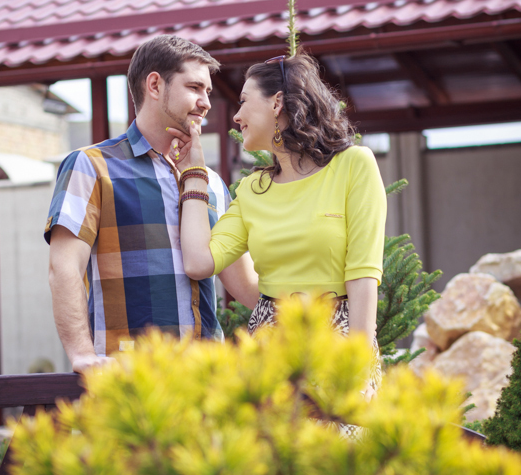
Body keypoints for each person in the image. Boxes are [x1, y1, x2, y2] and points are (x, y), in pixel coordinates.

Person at [171, 51, 387, 393]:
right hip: (269, 355)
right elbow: (199, 262)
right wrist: (194, 173)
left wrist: (356, 366)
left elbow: (362, 273)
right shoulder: (253, 190)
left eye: (243, 102)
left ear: (277, 103)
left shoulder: (353, 165)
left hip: (338, 345)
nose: (237, 116)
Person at [45, 35, 258, 371]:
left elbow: (248, 286)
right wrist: (83, 355)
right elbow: (64, 267)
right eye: (194, 87)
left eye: (208, 92)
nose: (206, 103)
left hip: (207, 384)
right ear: (155, 85)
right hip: (130, 383)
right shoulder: (91, 166)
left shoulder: (212, 184)